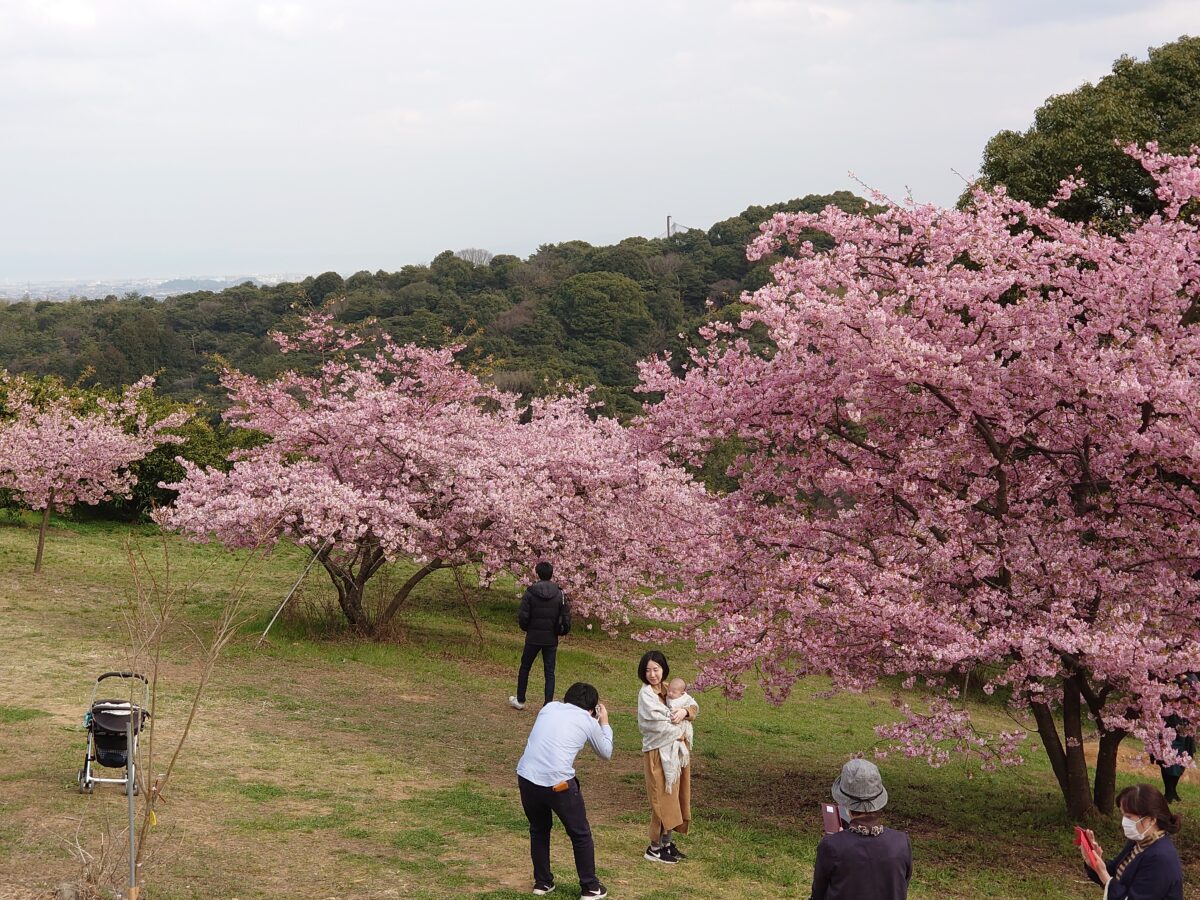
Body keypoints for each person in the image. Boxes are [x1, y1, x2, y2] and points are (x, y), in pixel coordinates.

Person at [515, 682, 612, 899]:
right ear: (593, 708)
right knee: (580, 834)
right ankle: (591, 887)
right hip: (558, 784)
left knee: (539, 829)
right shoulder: (588, 720)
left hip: (526, 777)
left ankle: (542, 882)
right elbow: (606, 752)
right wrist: (603, 723)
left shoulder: (548, 707)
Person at [811, 758, 912, 900]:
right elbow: (901, 886)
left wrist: (840, 842)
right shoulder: (901, 842)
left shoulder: (831, 845)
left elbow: (818, 894)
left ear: (845, 803)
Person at [637, 650, 697, 864]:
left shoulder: (669, 688)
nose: (652, 674)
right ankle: (654, 848)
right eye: (648, 670)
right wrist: (681, 728)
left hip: (676, 752)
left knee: (675, 796)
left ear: (663, 669)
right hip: (657, 751)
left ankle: (667, 844)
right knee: (662, 798)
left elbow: (691, 704)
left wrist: (685, 713)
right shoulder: (646, 695)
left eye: (656, 669)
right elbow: (654, 724)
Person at [1079, 783, 1184, 900]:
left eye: (1129, 816)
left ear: (1151, 820)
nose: (1124, 822)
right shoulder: (1139, 841)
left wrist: (1103, 874)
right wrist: (1093, 861)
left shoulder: (1160, 858)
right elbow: (1114, 872)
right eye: (1123, 815)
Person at [509, 561, 569, 710]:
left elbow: (523, 616)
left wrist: (527, 628)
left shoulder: (531, 592)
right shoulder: (559, 593)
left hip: (533, 637)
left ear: (537, 573)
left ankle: (520, 700)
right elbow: (566, 616)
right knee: (549, 672)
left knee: (525, 667)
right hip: (551, 638)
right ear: (551, 574)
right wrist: (560, 631)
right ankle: (548, 704)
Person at [661, 677, 695, 792]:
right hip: (666, 736)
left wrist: (685, 711)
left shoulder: (685, 698)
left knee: (681, 772)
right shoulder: (662, 690)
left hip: (681, 735)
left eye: (674, 692)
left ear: (681, 693)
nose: (670, 693)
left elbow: (694, 708)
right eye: (669, 690)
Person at [1158, 715, 1194, 804]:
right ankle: (1169, 792)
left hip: (1184, 731)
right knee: (1166, 763)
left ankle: (1172, 791)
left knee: (1181, 763)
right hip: (1167, 728)